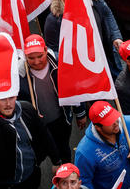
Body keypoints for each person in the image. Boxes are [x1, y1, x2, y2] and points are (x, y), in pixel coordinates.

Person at [18, 34, 85, 165]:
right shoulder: (20, 75)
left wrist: (80, 112)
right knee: (42, 152)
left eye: (40, 56)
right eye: (31, 58)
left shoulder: (60, 63)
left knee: (63, 148)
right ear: (25, 56)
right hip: (40, 124)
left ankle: (66, 172)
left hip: (61, 118)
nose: (36, 62)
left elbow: (74, 87)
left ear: (45, 50)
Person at [74, 100, 130, 189]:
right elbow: (84, 182)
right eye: (109, 122)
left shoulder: (128, 123)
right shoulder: (84, 152)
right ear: (98, 127)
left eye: (114, 116)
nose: (116, 122)